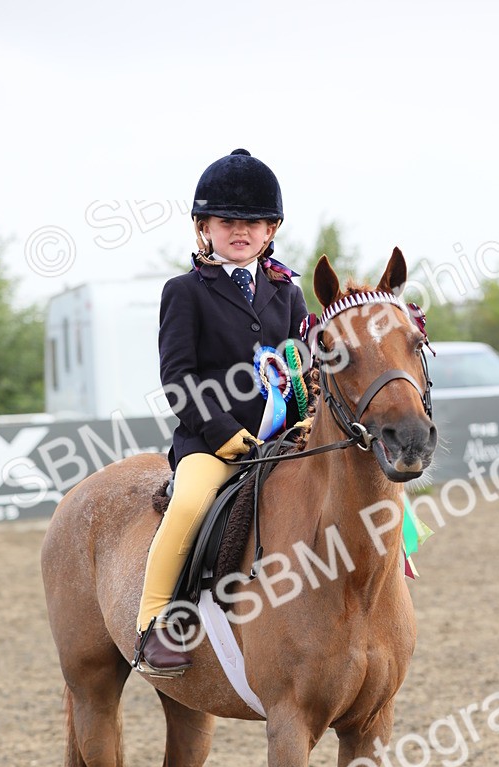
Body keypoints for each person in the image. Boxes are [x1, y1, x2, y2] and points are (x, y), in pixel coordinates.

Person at [133, 148, 308, 675]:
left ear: (271, 229)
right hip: (211, 443)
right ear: (202, 228)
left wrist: (303, 420)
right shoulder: (184, 292)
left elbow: (303, 371)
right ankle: (154, 624)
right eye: (228, 221)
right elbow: (177, 379)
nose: (241, 231)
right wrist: (224, 433)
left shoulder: (288, 294)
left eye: (254, 222)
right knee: (188, 504)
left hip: (284, 440)